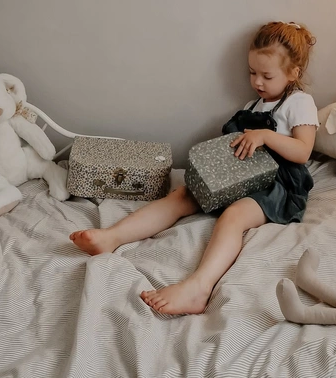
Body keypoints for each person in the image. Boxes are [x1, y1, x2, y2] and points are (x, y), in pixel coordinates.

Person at [70, 21, 319, 315]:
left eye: (267, 75)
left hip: (277, 185)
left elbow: (303, 152)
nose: (257, 82)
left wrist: (264, 135)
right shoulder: (254, 106)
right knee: (182, 195)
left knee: (234, 216)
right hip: (240, 174)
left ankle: (199, 287)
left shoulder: (299, 103)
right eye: (252, 73)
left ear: (294, 73)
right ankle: (113, 237)